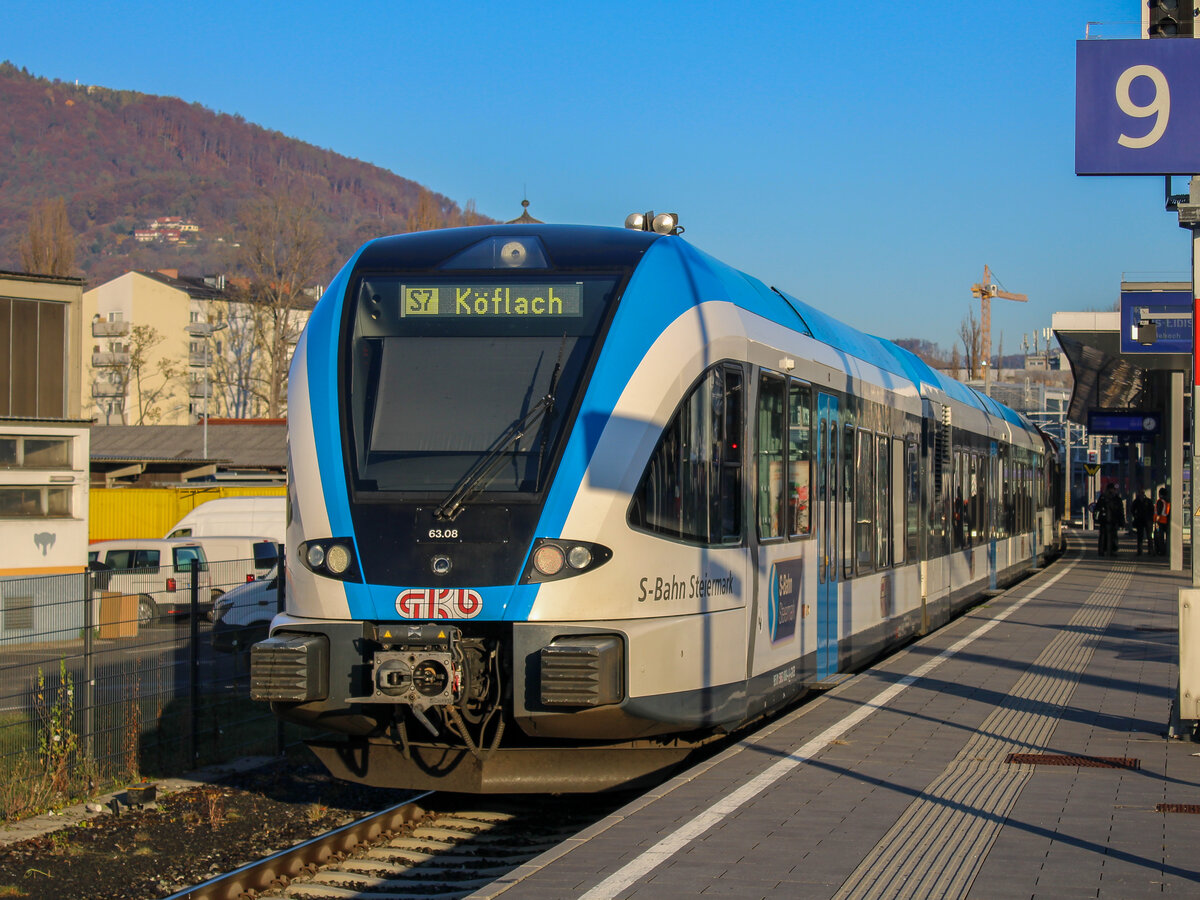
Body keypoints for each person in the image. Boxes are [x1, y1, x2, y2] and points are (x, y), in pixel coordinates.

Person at [1130, 490, 1152, 556]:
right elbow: (1132, 510)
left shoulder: (1147, 501)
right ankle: (1140, 551)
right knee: (1140, 536)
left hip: (1147, 520)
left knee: (1148, 536)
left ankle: (1149, 550)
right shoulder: (1137, 501)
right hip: (1140, 520)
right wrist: (1135, 515)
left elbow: (1152, 510)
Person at [1154, 487, 1171, 556]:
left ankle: (1160, 551)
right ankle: (1165, 550)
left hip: (1160, 522)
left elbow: (1158, 512)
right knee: (1166, 537)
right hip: (1166, 522)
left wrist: (1156, 522)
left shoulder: (1160, 501)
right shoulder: (1168, 502)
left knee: (1158, 537)